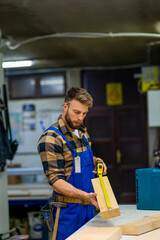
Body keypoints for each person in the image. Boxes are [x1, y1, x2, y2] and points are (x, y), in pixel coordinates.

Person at [37, 87, 107, 240]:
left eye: (84, 113)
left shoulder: (82, 132)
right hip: (68, 213)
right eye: (76, 112)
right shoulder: (51, 138)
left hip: (88, 208)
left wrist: (96, 161)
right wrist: (84, 196)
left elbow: (77, 161)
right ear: (65, 106)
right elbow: (55, 181)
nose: (80, 118)